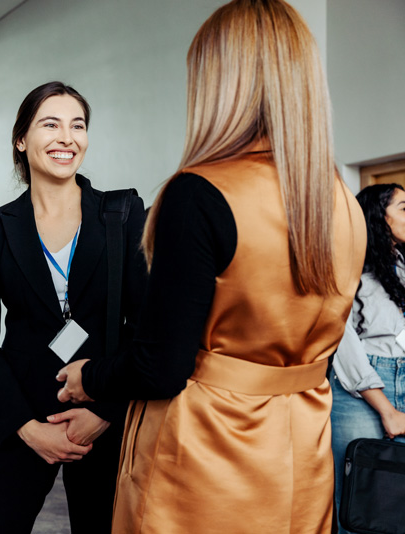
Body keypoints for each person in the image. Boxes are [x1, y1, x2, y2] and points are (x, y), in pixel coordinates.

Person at [56, 1, 366, 532]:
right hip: (301, 449)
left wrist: (90, 376)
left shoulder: (199, 193)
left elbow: (161, 366)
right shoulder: (343, 203)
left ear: (222, 81)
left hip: (207, 450)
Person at [0, 81, 146, 533]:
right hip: (23, 415)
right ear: (22, 140)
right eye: (51, 124)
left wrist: (105, 413)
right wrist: (26, 427)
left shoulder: (121, 214)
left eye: (77, 125)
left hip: (106, 415)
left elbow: (146, 325)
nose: (67, 137)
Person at [331, 183, 405, 534]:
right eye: (404, 207)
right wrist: (386, 409)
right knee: (361, 502)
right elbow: (341, 338)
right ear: (378, 217)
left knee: (398, 501)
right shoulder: (348, 265)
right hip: (361, 385)